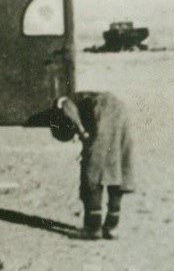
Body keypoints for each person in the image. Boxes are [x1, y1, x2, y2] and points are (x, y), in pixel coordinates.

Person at [49, 91, 135, 240]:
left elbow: (65, 105)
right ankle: (111, 227)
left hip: (102, 108)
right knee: (118, 166)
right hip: (120, 108)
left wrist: (82, 132)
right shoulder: (85, 99)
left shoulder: (62, 101)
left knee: (93, 171)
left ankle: (92, 228)